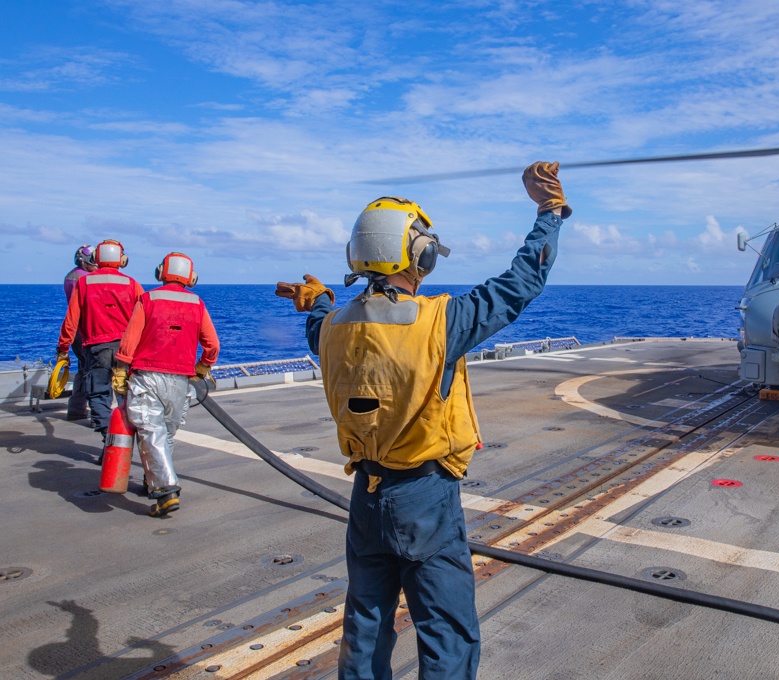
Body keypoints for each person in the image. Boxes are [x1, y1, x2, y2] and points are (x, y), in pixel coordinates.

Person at [275, 162, 571, 680]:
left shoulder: (332, 331)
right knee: (445, 629)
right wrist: (549, 213)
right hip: (425, 498)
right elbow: (522, 283)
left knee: (366, 624)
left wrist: (319, 300)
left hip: (365, 495)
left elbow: (320, 321)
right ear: (420, 253)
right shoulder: (440, 320)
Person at [112, 252, 219, 517]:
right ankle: (153, 483)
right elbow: (212, 344)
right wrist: (202, 367)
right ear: (190, 278)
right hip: (180, 382)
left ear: (161, 273)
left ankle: (167, 489)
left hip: (147, 376)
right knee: (165, 434)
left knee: (151, 432)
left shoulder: (148, 300)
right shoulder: (197, 303)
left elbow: (130, 339)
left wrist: (121, 369)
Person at [56, 240, 143, 443]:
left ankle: (109, 438)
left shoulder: (83, 283)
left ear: (96, 259)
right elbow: (144, 318)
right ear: (122, 261)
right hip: (127, 349)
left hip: (97, 349)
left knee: (98, 395)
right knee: (128, 395)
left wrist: (63, 348)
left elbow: (71, 321)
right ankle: (125, 439)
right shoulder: (132, 284)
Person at [62, 245, 97, 420]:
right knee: (96, 370)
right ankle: (99, 415)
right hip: (87, 329)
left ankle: (76, 409)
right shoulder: (86, 280)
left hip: (76, 329)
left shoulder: (71, 276)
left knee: (83, 368)